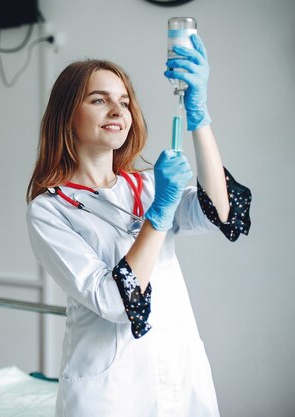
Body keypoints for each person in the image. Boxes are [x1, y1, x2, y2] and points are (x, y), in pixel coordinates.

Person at [26, 35, 251, 417]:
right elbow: (114, 300)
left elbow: (222, 211)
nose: (117, 109)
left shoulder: (146, 184)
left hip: (180, 372)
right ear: (67, 115)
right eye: (99, 99)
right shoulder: (50, 211)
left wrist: (200, 116)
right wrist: (159, 211)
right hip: (112, 391)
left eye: (124, 101)